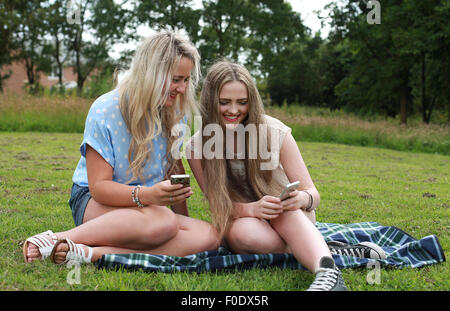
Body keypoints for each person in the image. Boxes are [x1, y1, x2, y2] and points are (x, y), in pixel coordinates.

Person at [22, 29, 219, 265]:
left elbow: (173, 171)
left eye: (186, 80)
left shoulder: (176, 111)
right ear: (151, 74)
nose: (183, 89)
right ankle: (55, 240)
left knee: (209, 236)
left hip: (151, 209)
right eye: (176, 79)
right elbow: (99, 188)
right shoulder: (106, 109)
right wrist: (150, 197)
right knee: (163, 222)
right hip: (96, 202)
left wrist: (181, 219)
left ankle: (88, 253)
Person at [186, 60, 385, 291]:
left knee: (284, 210)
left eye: (242, 102)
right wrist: (251, 209)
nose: (233, 110)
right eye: (224, 102)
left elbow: (313, 194)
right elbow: (217, 205)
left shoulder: (275, 131)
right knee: (242, 235)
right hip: (244, 220)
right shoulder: (196, 147)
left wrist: (301, 199)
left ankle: (329, 275)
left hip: (291, 218)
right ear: (210, 101)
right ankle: (322, 249)